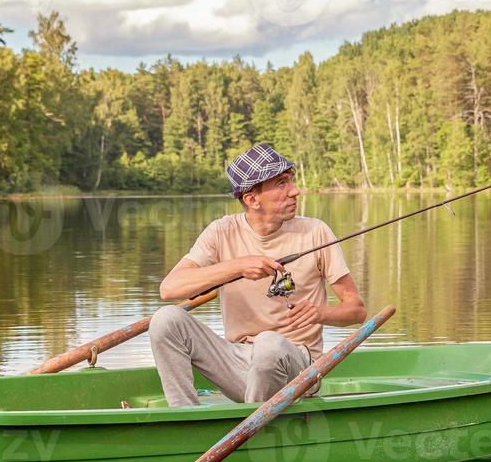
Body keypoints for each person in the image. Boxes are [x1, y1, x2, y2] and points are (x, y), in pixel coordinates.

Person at [150, 143, 367, 407]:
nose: (294, 191)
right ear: (252, 199)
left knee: (269, 345)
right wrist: (237, 266)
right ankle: (184, 419)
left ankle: (252, 429)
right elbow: (169, 289)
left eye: (291, 181)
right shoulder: (221, 232)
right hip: (237, 363)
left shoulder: (316, 232)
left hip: (297, 368)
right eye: (281, 184)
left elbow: (357, 310)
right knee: (166, 319)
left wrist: (320, 313)